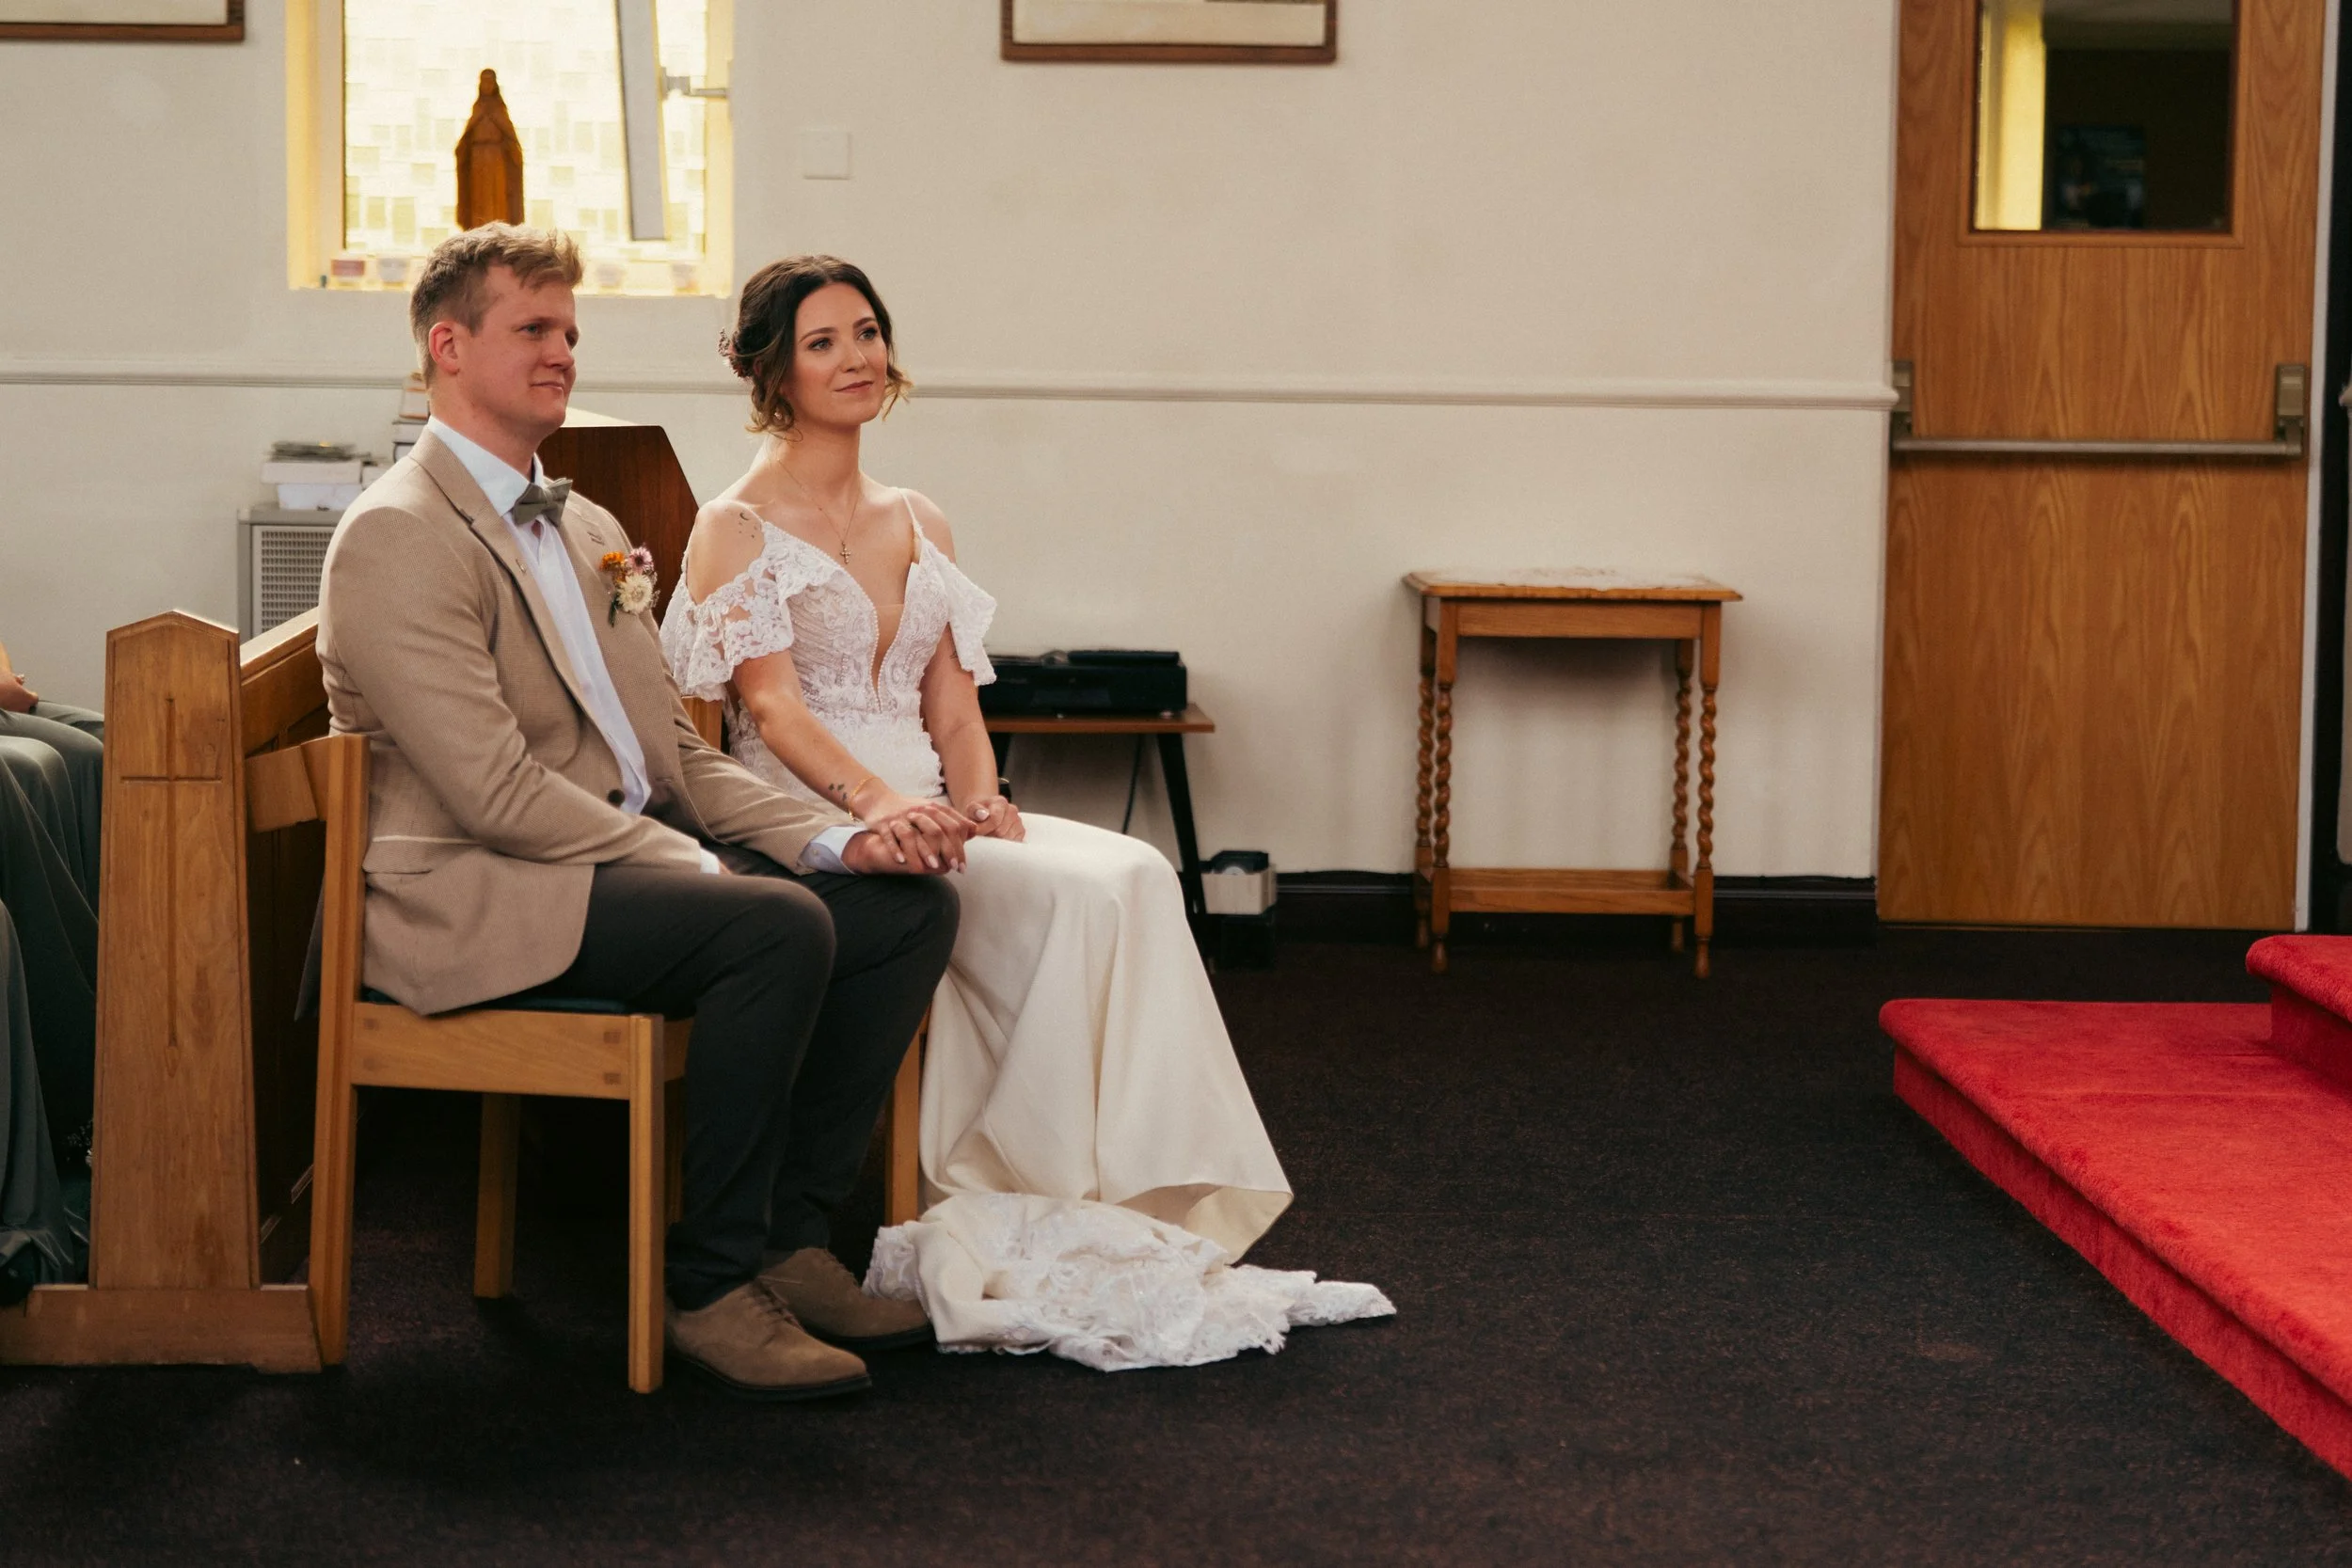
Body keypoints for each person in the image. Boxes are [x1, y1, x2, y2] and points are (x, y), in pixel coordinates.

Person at [662, 257, 1390, 1368]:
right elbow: (768, 705)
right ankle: (1040, 1192)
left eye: (867, 331)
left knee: (1135, 870)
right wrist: (884, 805)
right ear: (769, 368)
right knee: (1085, 897)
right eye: (822, 341)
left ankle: (1131, 1198)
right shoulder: (735, 526)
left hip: (942, 803)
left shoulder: (919, 518)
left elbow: (953, 702)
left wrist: (981, 791)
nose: (857, 356)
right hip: (818, 817)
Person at [317, 226, 971, 1400]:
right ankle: (708, 1287)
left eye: (570, 330)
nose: (563, 351)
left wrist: (832, 837)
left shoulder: (587, 527)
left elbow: (672, 750)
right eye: (534, 329)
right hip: (477, 887)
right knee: (773, 928)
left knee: (898, 908)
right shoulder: (396, 533)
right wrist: (703, 870)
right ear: (447, 346)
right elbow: (495, 794)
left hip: (603, 858)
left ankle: (787, 1237)